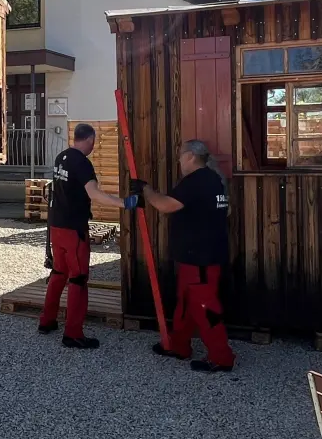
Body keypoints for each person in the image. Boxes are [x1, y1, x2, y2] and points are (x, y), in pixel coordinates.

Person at [136, 139, 235, 372]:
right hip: (197, 257)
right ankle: (178, 345)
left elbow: (165, 205)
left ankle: (222, 358)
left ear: (191, 156)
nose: (179, 160)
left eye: (181, 155)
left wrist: (146, 189)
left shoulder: (196, 181)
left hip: (201, 258)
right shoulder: (215, 180)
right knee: (185, 304)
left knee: (205, 307)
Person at [38, 123, 139, 349]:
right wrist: (123, 203)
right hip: (74, 229)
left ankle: (47, 321)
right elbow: (93, 193)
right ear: (91, 140)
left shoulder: (61, 157)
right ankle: (73, 334)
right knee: (78, 278)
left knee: (58, 272)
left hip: (57, 225)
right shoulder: (82, 164)